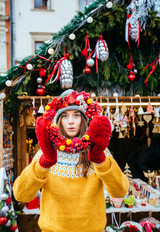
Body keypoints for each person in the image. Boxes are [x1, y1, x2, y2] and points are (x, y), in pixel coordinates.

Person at [13, 90, 129, 232]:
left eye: (76, 115)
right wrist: (45, 162)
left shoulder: (98, 150)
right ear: (58, 120)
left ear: (84, 119)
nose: (71, 121)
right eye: (64, 116)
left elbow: (120, 191)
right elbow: (21, 194)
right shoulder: (47, 150)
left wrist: (100, 159)